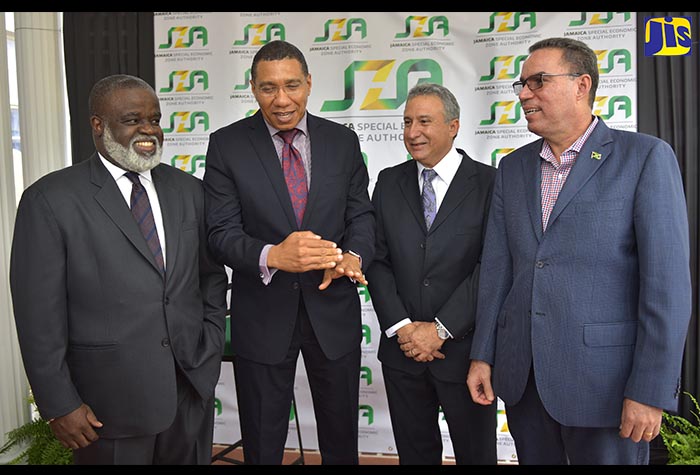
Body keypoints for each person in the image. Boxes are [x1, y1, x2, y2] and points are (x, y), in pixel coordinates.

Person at [466, 37, 692, 465]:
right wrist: (483, 354)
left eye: (538, 81)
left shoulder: (644, 157)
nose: (524, 94)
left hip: (607, 388)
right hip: (524, 383)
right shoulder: (512, 168)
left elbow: (666, 287)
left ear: (581, 84)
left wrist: (650, 389)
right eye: (522, 85)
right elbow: (497, 271)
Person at [9, 74, 229, 465]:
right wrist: (60, 404)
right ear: (98, 125)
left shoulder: (189, 190)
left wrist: (208, 349)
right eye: (132, 119)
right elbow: (37, 314)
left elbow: (210, 278)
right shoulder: (49, 200)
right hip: (105, 408)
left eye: (155, 119)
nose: (148, 130)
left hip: (188, 396)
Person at [202, 40, 375, 465]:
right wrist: (272, 256)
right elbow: (219, 233)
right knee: (262, 443)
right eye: (268, 88)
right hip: (261, 316)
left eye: (292, 85)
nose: (282, 100)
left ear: (310, 83)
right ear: (252, 88)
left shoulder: (342, 142)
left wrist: (353, 256)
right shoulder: (227, 145)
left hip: (332, 314)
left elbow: (362, 217)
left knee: (341, 442)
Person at [366, 83, 497, 465]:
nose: (412, 132)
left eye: (424, 121)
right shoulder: (388, 181)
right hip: (402, 353)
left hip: (465, 355)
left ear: (454, 126)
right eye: (407, 122)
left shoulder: (490, 183)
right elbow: (376, 260)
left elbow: (491, 266)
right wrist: (403, 328)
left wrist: (439, 329)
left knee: (477, 456)